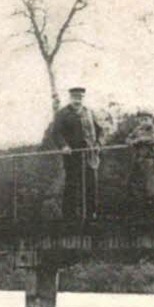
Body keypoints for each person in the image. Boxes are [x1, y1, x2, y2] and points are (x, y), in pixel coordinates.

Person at [48, 86, 102, 219]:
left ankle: (92, 214)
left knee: (91, 184)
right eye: (74, 98)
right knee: (72, 184)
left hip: (90, 154)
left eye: (80, 98)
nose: (77, 101)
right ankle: (69, 216)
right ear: (70, 98)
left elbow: (100, 130)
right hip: (72, 154)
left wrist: (99, 144)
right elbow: (56, 133)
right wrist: (64, 146)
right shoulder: (63, 113)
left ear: (83, 98)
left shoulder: (89, 112)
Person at [126, 116, 154, 217]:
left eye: (146, 119)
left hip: (151, 161)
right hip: (139, 161)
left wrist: (139, 140)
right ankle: (143, 213)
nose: (143, 121)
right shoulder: (137, 130)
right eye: (141, 119)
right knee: (137, 187)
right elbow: (128, 139)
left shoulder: (153, 129)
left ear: (151, 120)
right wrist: (133, 141)